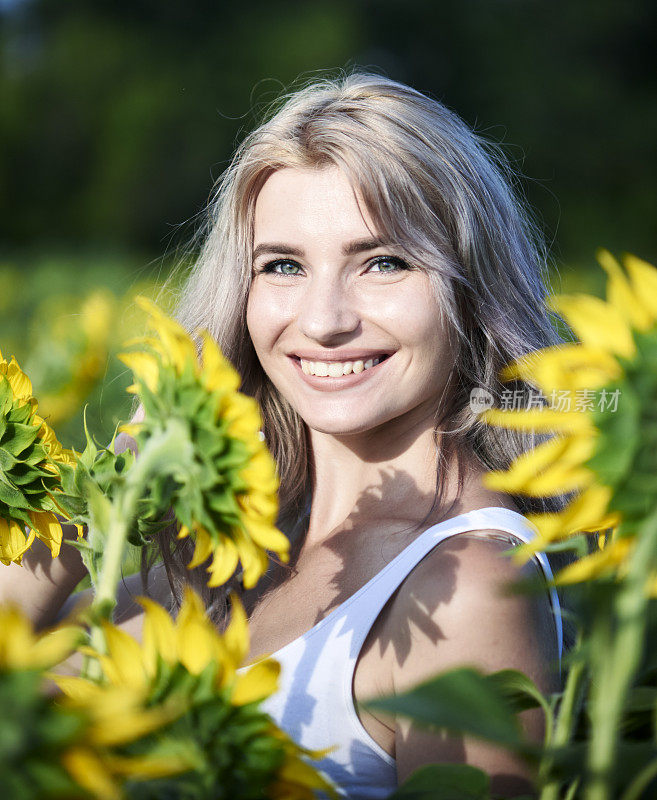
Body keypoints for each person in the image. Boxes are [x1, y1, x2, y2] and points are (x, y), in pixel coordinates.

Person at [0, 72, 568, 798]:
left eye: (383, 262)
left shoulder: (468, 587)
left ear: (469, 285)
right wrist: (111, 488)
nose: (324, 319)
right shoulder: (213, 566)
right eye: (283, 266)